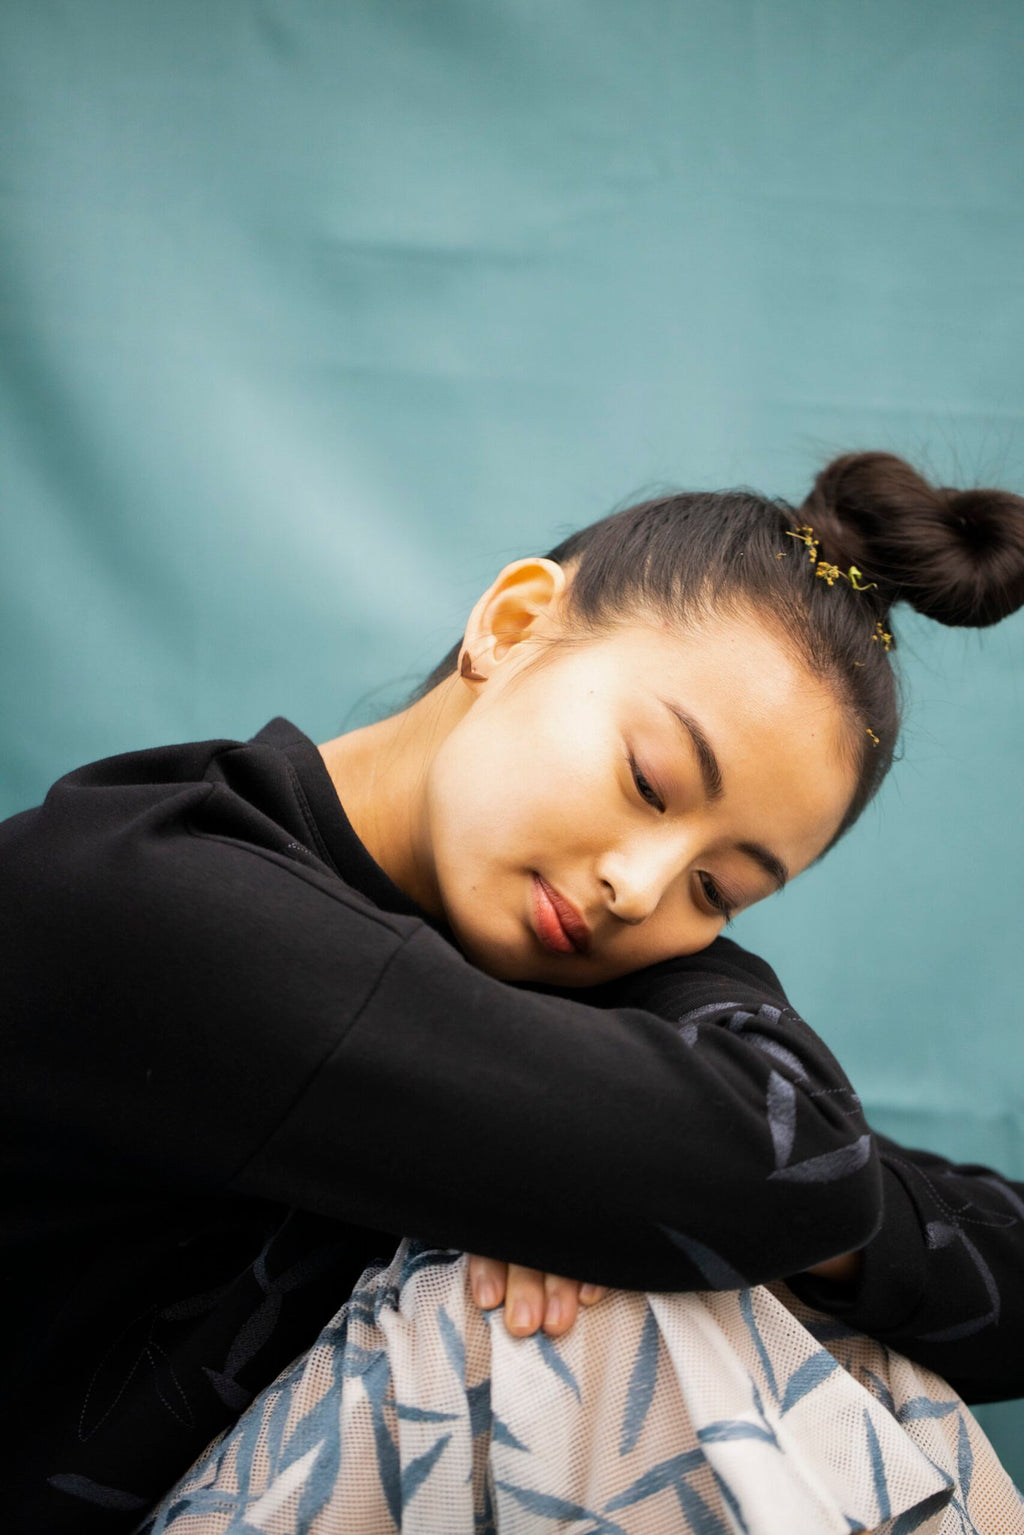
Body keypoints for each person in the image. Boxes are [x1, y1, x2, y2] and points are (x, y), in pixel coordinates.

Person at [4, 452, 1024, 1531]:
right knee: (614, 1309)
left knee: (780, 1305)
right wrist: (626, 1194)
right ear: (513, 623)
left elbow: (911, 1212)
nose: (639, 889)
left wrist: (614, 1190)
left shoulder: (531, 978)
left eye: (717, 889)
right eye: (649, 782)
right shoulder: (151, 897)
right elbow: (792, 1160)